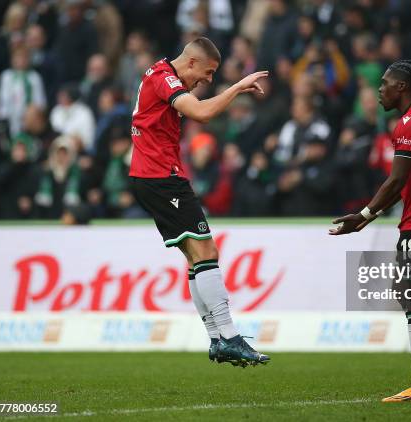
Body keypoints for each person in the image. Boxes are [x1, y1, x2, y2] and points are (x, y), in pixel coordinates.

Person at [128, 36, 269, 367]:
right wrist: (237, 87)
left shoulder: (160, 75)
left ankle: (217, 340)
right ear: (191, 62)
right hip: (161, 178)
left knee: (199, 256)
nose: (208, 80)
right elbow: (202, 113)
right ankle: (230, 338)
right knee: (206, 251)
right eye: (207, 72)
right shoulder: (164, 79)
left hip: (155, 176)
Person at [329, 60, 411, 402]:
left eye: (385, 84)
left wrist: (364, 216)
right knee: (408, 288)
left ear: (401, 87)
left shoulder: (408, 125)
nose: (379, 90)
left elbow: (397, 180)